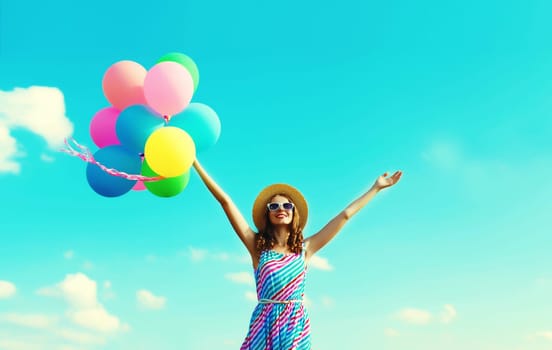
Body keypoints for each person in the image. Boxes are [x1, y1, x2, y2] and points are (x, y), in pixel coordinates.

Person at [193, 159, 402, 350]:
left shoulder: (306, 248)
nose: (280, 209)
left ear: (293, 212)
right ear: (268, 214)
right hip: (263, 324)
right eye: (273, 206)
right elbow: (226, 202)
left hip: (295, 324)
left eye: (286, 205)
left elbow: (345, 216)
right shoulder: (257, 248)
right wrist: (194, 163)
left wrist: (376, 189)